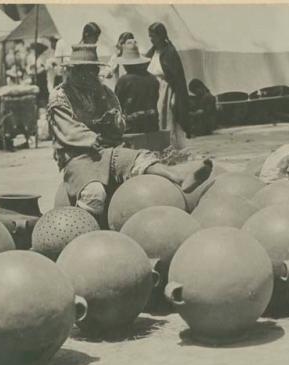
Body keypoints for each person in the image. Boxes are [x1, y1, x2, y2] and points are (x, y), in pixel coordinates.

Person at [47, 44, 212, 226]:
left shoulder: (104, 92)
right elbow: (68, 129)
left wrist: (116, 122)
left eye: (92, 69)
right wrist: (93, 138)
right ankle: (85, 229)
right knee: (94, 194)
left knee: (140, 159)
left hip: (107, 151)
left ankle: (178, 178)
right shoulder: (60, 96)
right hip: (78, 156)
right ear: (74, 71)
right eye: (84, 70)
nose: (90, 74)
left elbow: (119, 120)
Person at [146, 22, 190, 149]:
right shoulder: (153, 52)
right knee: (157, 119)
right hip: (154, 89)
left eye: (153, 36)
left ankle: (171, 147)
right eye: (149, 36)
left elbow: (177, 78)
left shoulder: (170, 52)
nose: (151, 39)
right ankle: (160, 147)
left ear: (160, 36)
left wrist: (175, 96)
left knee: (167, 119)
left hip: (166, 89)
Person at [115, 40, 159, 133]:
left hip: (132, 127)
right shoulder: (153, 79)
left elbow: (117, 104)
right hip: (152, 125)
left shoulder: (124, 80)